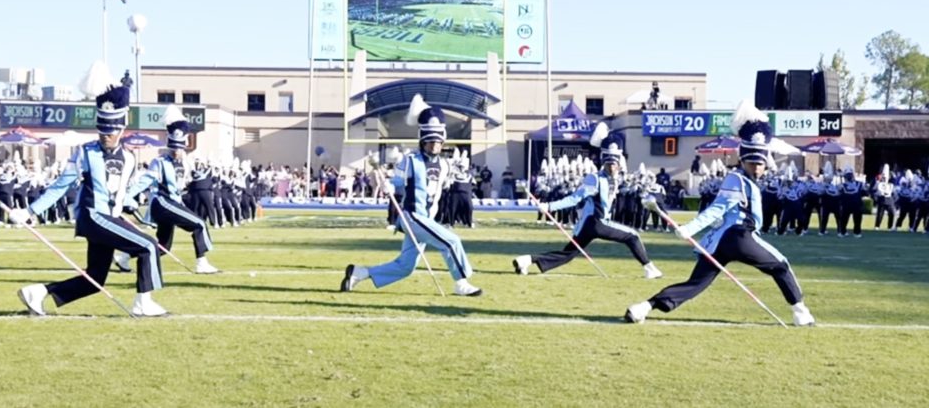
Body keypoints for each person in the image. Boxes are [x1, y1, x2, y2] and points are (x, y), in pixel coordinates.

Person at [624, 100, 815, 326]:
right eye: (752, 161)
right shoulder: (736, 179)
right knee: (781, 265)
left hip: (720, 241)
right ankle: (800, 312)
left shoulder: (746, 179)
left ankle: (643, 308)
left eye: (761, 162)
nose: (757, 167)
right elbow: (717, 208)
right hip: (740, 236)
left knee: (695, 284)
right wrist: (690, 228)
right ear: (742, 159)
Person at [10, 85, 168, 317]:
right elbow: (61, 186)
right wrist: (30, 211)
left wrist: (129, 202)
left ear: (122, 128)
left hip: (109, 218)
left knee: (95, 279)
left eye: (111, 130)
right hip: (93, 216)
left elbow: (122, 190)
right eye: (102, 129)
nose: (105, 134)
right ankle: (143, 302)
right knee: (148, 246)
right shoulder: (85, 153)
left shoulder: (130, 158)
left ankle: (39, 292)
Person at [340, 94, 482, 296]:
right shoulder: (410, 161)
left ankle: (359, 273)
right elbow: (397, 182)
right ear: (422, 141)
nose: (434, 145)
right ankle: (462, 283)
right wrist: (389, 186)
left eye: (437, 142)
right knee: (451, 241)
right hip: (413, 216)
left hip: (427, 218)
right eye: (430, 141)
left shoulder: (444, 164)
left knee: (406, 266)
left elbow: (447, 185)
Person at [511, 122, 663, 279]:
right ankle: (649, 268)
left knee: (568, 254)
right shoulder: (594, 179)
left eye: (615, 163)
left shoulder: (613, 179)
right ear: (604, 162)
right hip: (597, 222)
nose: (613, 167)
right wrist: (549, 206)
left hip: (589, 225)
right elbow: (575, 198)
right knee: (633, 236)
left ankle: (526, 260)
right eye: (610, 163)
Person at [123, 106, 219, 274]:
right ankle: (201, 262)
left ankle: (124, 256)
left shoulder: (186, 163)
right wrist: (124, 197)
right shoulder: (159, 162)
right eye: (174, 148)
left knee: (162, 247)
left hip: (173, 203)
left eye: (179, 148)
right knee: (199, 223)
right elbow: (143, 182)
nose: (177, 152)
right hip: (162, 202)